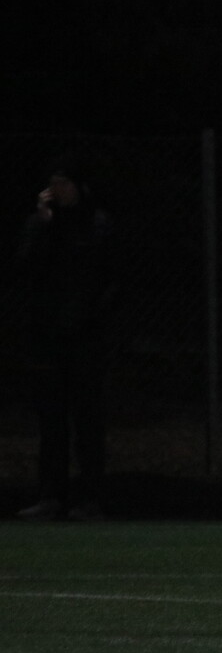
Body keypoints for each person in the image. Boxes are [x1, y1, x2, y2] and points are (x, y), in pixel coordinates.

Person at [13, 154, 116, 521]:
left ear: (79, 187)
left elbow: (109, 277)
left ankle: (91, 498)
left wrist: (93, 320)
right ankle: (50, 496)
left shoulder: (97, 224)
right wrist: (43, 224)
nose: (58, 190)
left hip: (86, 336)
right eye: (53, 184)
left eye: (65, 183)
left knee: (87, 421)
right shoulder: (41, 225)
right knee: (51, 421)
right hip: (48, 336)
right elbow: (25, 268)